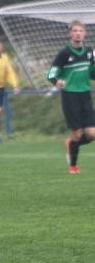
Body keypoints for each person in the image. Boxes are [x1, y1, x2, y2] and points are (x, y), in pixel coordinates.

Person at [47, 19, 95, 174]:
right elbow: (51, 73)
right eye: (74, 31)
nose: (78, 33)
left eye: (80, 31)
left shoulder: (90, 52)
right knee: (77, 132)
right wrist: (57, 81)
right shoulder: (64, 53)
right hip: (70, 96)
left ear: (85, 33)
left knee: (91, 134)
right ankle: (73, 166)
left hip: (85, 94)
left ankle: (71, 144)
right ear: (70, 34)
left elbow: (93, 72)